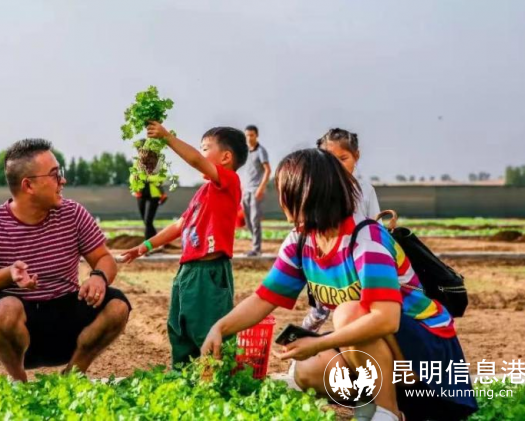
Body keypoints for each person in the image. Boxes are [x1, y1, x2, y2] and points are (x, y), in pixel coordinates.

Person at [201, 149, 478, 421]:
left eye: (284, 189)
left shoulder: (365, 239)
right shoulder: (301, 240)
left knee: (348, 313)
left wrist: (319, 343)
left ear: (304, 193)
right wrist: (220, 329)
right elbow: (264, 298)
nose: (281, 198)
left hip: (427, 355)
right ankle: (386, 405)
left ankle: (388, 413)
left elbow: (387, 319)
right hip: (387, 353)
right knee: (308, 369)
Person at [0, 138, 131, 382]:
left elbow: (104, 258)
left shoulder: (73, 213)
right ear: (28, 185)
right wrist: (9, 274)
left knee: (117, 305)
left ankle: (73, 376)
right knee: (4, 310)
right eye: (54, 175)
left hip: (66, 320)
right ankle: (18, 380)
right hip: (21, 333)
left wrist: (99, 277)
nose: (63, 180)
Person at [121, 122, 248, 366]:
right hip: (187, 271)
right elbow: (180, 225)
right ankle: (183, 376)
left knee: (208, 330)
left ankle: (218, 377)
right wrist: (144, 247)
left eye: (205, 148)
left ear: (225, 157)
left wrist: (167, 137)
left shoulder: (229, 182)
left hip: (209, 272)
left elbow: (196, 161)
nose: (200, 154)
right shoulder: (203, 192)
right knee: (180, 328)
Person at [302, 128, 380, 332]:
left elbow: (375, 226)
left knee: (357, 309)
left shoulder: (364, 190)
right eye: (329, 160)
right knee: (318, 311)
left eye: (343, 159)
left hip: (356, 263)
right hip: (326, 263)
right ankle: (300, 344)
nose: (336, 166)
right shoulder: (317, 189)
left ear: (356, 156)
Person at [238, 125, 271, 256]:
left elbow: (268, 170)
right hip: (245, 190)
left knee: (254, 219)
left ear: (256, 136)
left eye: (251, 135)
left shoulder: (261, 151)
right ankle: (254, 244)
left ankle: (256, 249)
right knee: (247, 220)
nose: (249, 138)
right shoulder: (245, 152)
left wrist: (261, 187)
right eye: (247, 135)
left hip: (256, 189)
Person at [134, 176, 167, 241]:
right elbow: (133, 177)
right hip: (141, 194)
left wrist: (146, 178)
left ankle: (149, 240)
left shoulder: (156, 170)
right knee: (145, 220)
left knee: (148, 221)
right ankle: (155, 239)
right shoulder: (137, 170)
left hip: (155, 195)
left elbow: (160, 178)